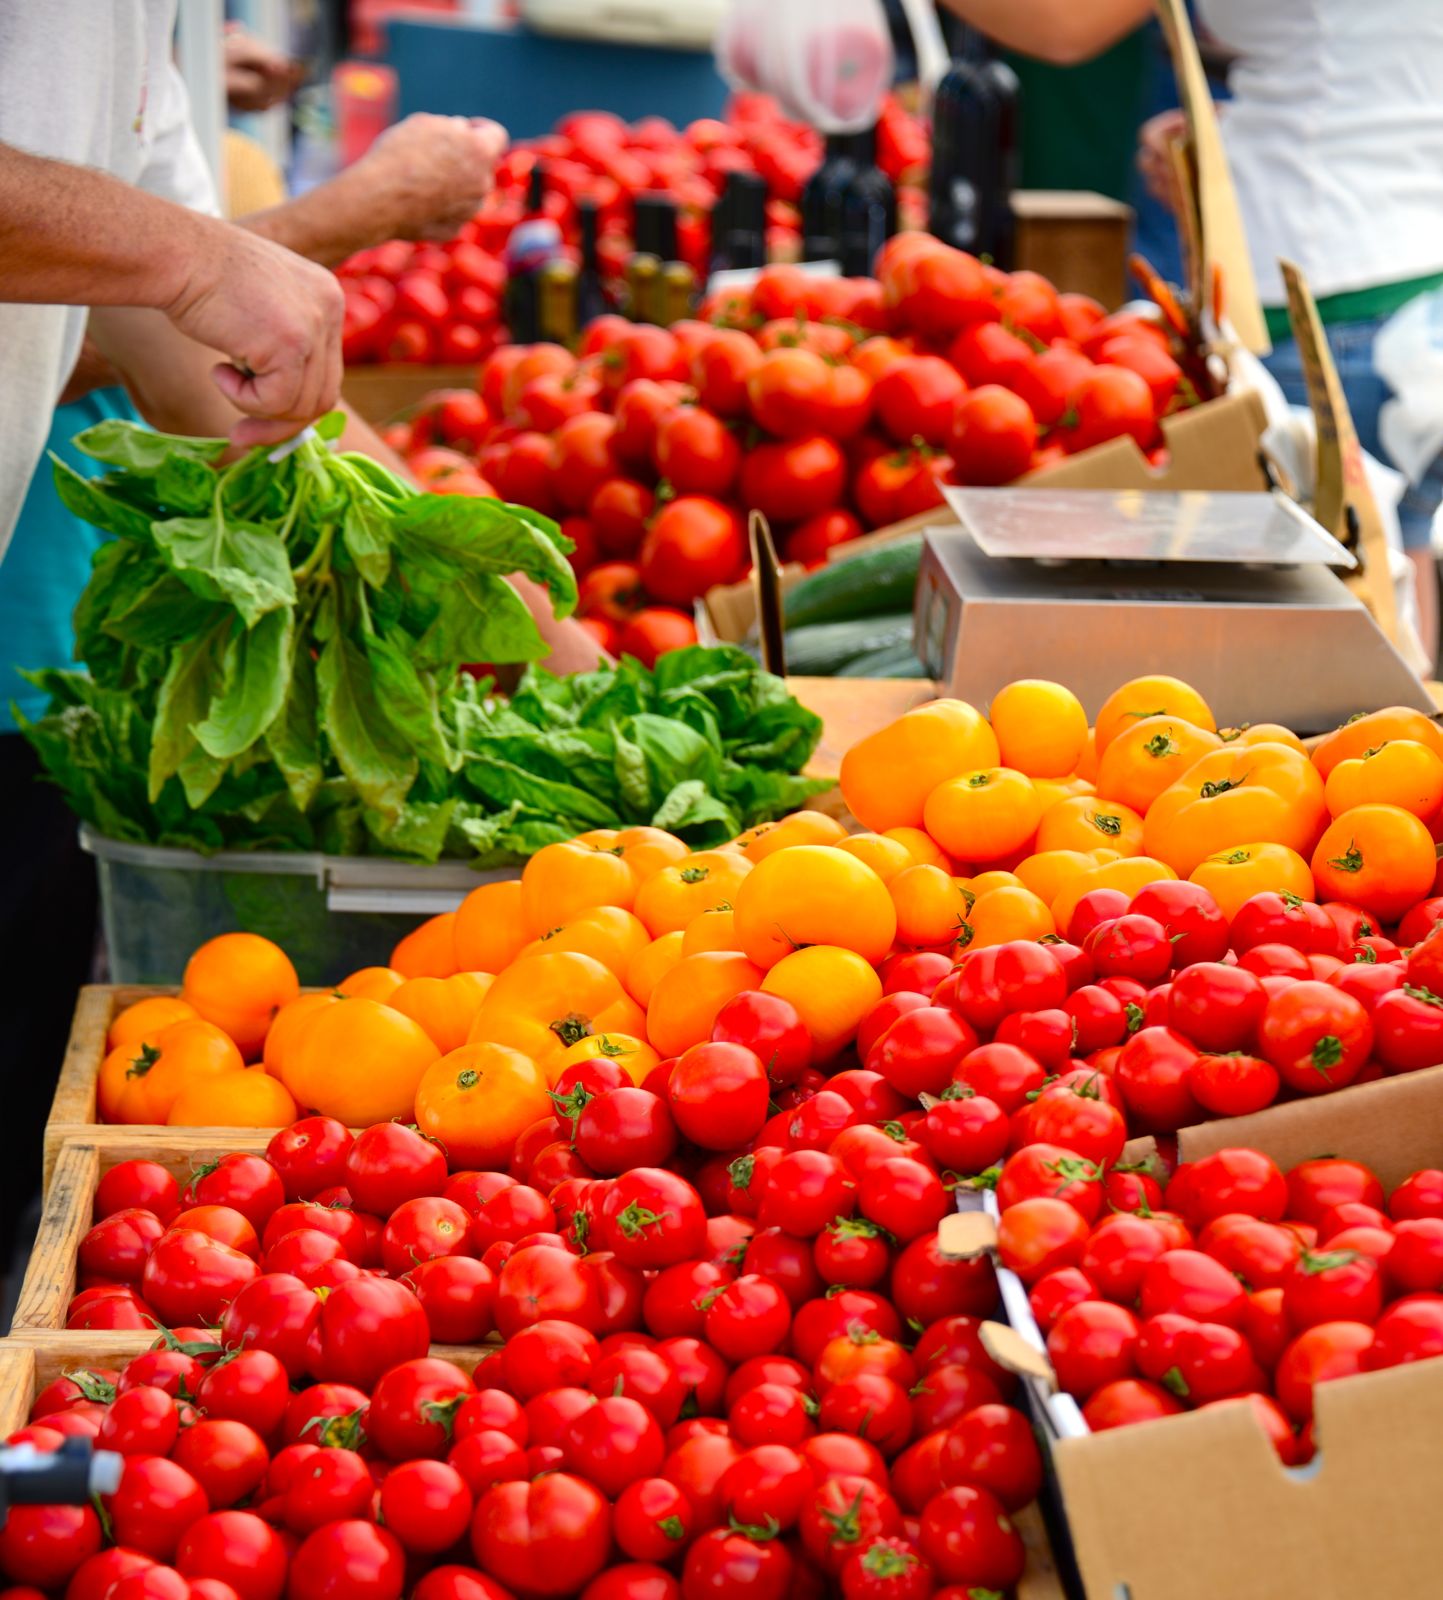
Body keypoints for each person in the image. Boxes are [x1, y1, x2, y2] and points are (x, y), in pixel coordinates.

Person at [938, 0, 1443, 662]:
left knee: (1334, 624)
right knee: (1390, 570)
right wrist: (1233, 141)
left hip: (1328, 298)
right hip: (1398, 284)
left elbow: (1063, 21)